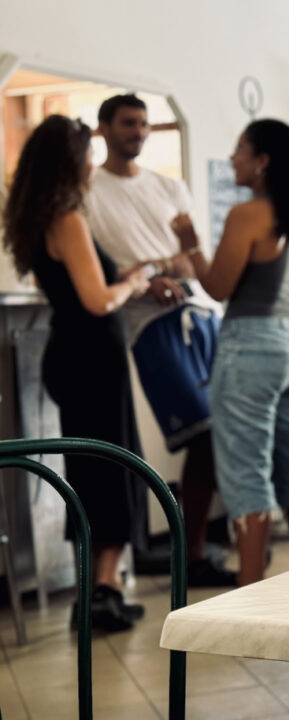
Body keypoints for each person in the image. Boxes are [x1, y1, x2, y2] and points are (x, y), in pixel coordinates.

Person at [1, 116, 151, 630]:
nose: (93, 162)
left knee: (91, 472)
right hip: (93, 359)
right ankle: (101, 592)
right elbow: (97, 300)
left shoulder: (37, 219)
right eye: (87, 153)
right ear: (72, 160)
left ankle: (97, 589)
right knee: (109, 470)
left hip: (71, 356)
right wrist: (133, 284)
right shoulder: (69, 219)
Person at [85, 93, 234, 587]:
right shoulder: (87, 191)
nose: (139, 132)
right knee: (201, 430)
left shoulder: (170, 187)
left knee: (217, 434)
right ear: (104, 128)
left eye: (145, 124)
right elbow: (99, 269)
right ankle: (185, 551)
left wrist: (161, 267)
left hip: (199, 315)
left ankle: (191, 552)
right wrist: (147, 279)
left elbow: (193, 258)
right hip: (147, 325)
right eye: (129, 123)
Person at [171, 118, 289, 586]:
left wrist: (191, 248)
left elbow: (217, 287)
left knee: (245, 471)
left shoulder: (248, 214)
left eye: (240, 150)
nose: (233, 158)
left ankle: (250, 599)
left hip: (250, 348)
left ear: (262, 161)